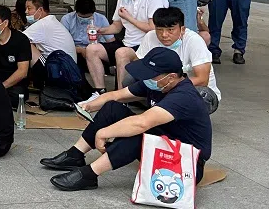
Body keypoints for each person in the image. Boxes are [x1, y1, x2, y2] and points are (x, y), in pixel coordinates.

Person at [40, 47, 212, 191]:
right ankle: (75, 154)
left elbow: (141, 123)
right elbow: (117, 95)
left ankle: (89, 175)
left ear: (172, 77)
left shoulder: (183, 96)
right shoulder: (159, 83)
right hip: (167, 145)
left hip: (186, 163)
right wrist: (89, 105)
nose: (146, 79)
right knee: (112, 107)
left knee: (139, 133)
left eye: (152, 75)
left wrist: (103, 133)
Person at [115, 7, 221, 114]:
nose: (164, 35)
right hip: (162, 87)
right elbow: (141, 70)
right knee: (130, 80)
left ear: (182, 29)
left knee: (203, 96)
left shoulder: (194, 41)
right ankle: (158, 106)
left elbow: (202, 79)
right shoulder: (150, 37)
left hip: (186, 88)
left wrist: (169, 85)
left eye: (170, 30)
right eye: (159, 30)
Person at [87, 0, 169, 92]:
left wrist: (129, 18)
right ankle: (100, 91)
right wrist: (99, 30)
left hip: (147, 46)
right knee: (92, 49)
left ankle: (121, 97)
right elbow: (117, 27)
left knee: (121, 53)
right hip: (127, 43)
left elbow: (153, 28)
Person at [22, 0, 77, 86]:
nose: (26, 12)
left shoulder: (43, 24)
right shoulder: (50, 21)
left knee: (24, 44)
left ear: (40, 10)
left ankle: (38, 83)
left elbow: (18, 40)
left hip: (62, 71)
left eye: (29, 8)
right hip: (65, 68)